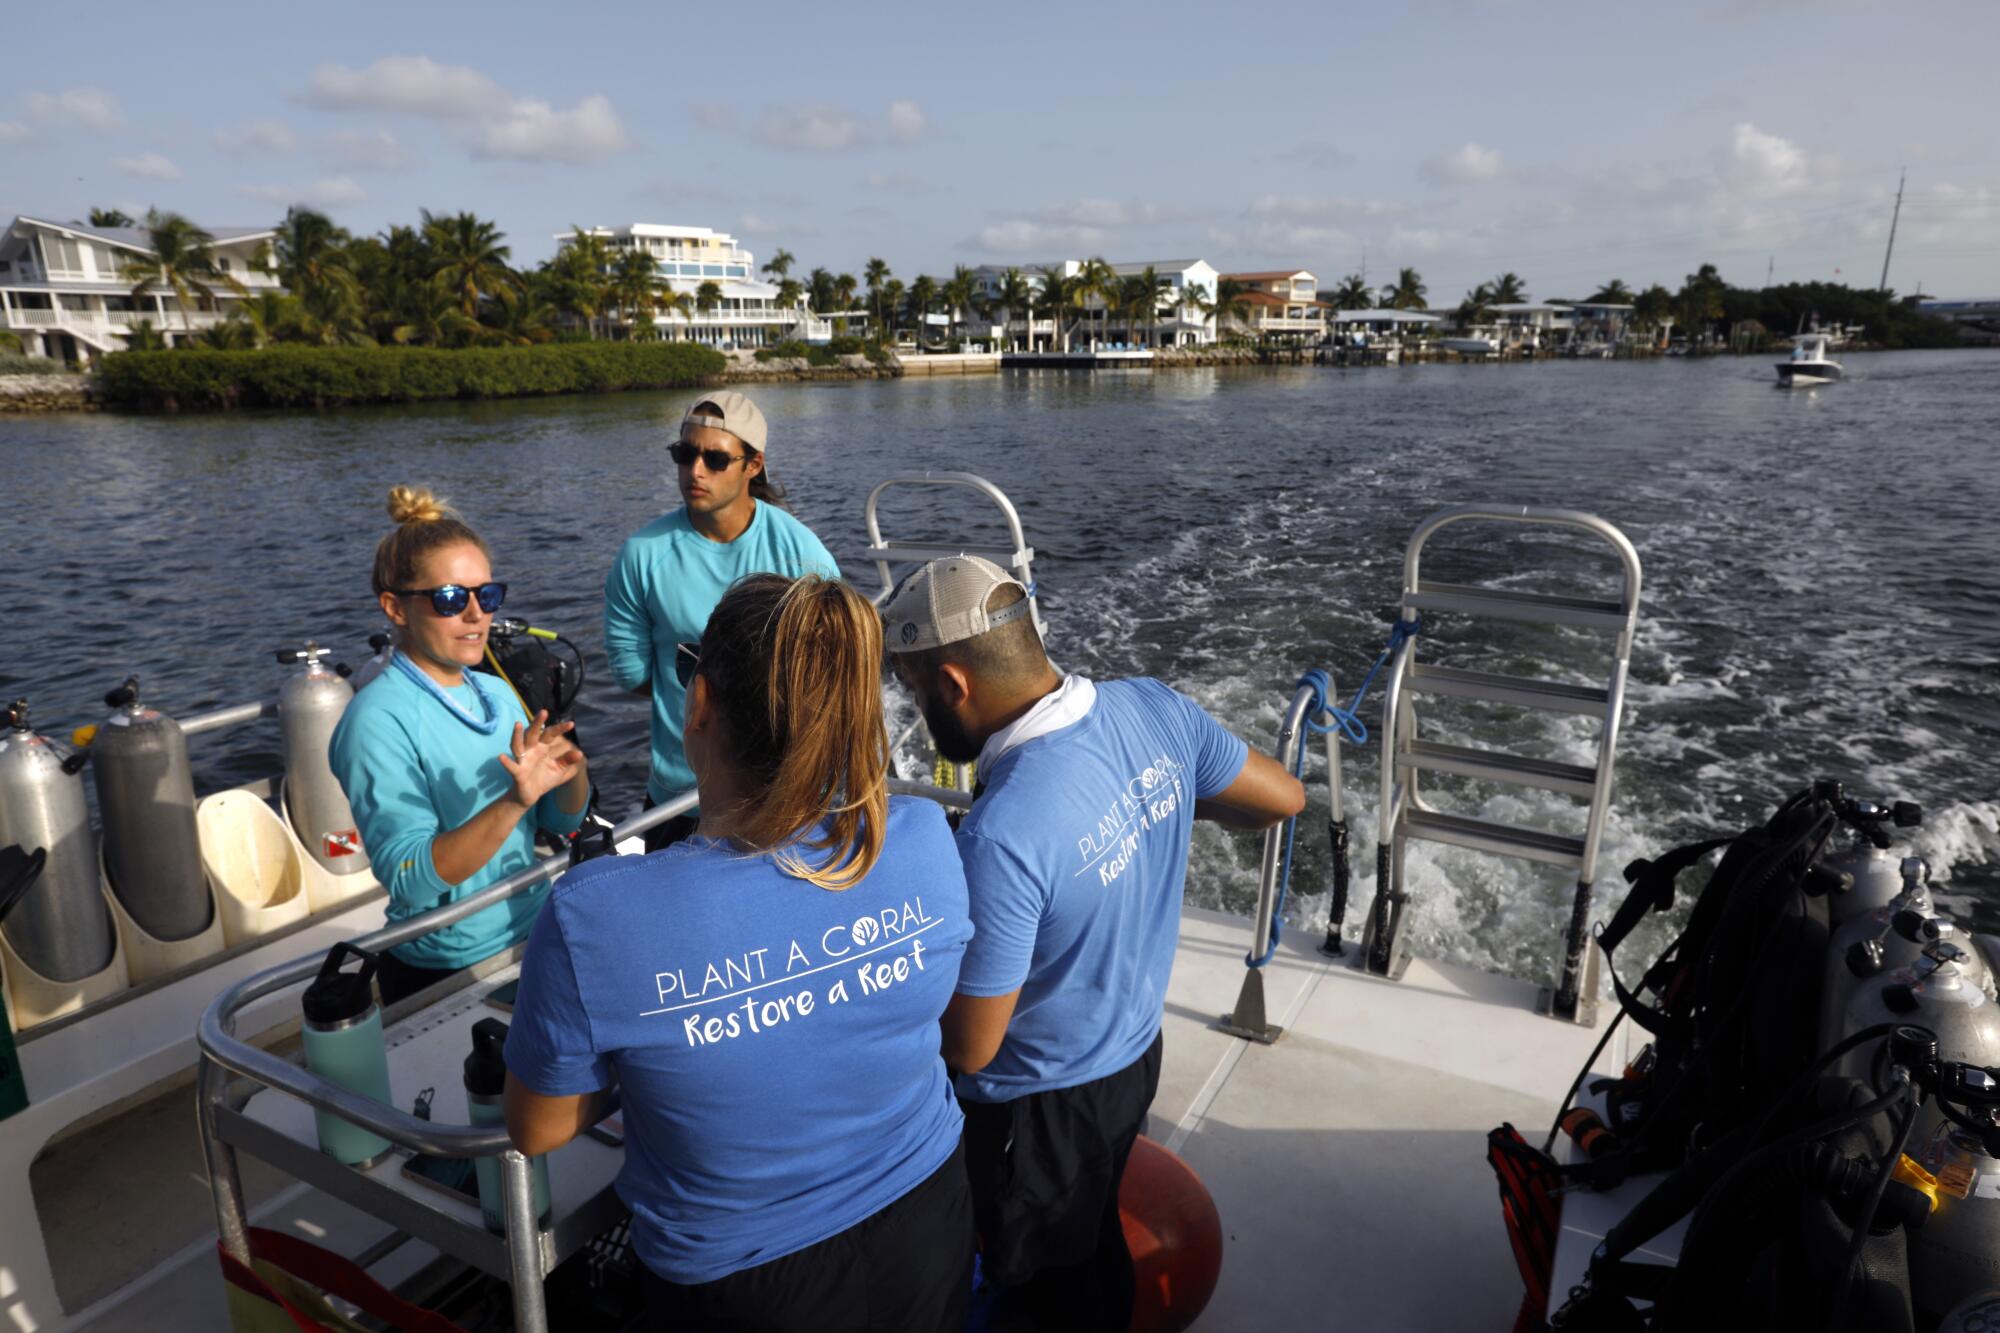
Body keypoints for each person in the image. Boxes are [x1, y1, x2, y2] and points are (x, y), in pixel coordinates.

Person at [505, 574, 976, 1332]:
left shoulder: (596, 913)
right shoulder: (922, 836)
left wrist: (670, 1054)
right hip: (929, 1215)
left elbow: (538, 1128)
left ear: (700, 704)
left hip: (743, 1284)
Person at [884, 555, 1306, 1330]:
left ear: (954, 683)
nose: (917, 711)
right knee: (1091, 1243)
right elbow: (1282, 796)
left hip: (1034, 1114)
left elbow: (972, 1049)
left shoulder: (1003, 835)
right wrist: (1164, 805)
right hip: (1133, 1059)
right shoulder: (1152, 708)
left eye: (913, 690)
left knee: (1048, 1292)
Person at [329, 487, 589, 1006]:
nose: (475, 615)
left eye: (487, 595)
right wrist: (514, 800)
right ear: (395, 608)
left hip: (537, 932)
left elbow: (558, 825)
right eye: (450, 599)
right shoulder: (376, 721)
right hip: (448, 965)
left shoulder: (493, 691)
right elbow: (412, 880)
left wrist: (569, 771)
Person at [604, 392, 838, 851]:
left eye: (715, 458)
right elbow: (630, 673)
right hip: (677, 802)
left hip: (780, 792)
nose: (695, 470)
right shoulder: (639, 555)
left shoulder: (804, 553)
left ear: (753, 466)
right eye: (685, 454)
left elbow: (829, 668)